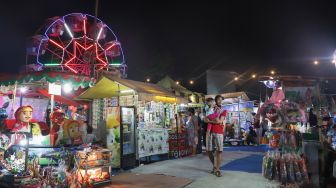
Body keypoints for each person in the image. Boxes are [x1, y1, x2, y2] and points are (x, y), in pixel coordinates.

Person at [204, 95, 226, 177]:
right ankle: (215, 166)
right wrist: (209, 120)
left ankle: (217, 169)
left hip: (219, 131)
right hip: (209, 131)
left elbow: (219, 121)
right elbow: (204, 119)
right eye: (218, 100)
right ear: (215, 101)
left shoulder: (223, 110)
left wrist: (209, 121)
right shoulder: (210, 108)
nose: (220, 101)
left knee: (219, 150)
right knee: (209, 150)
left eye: (221, 100)